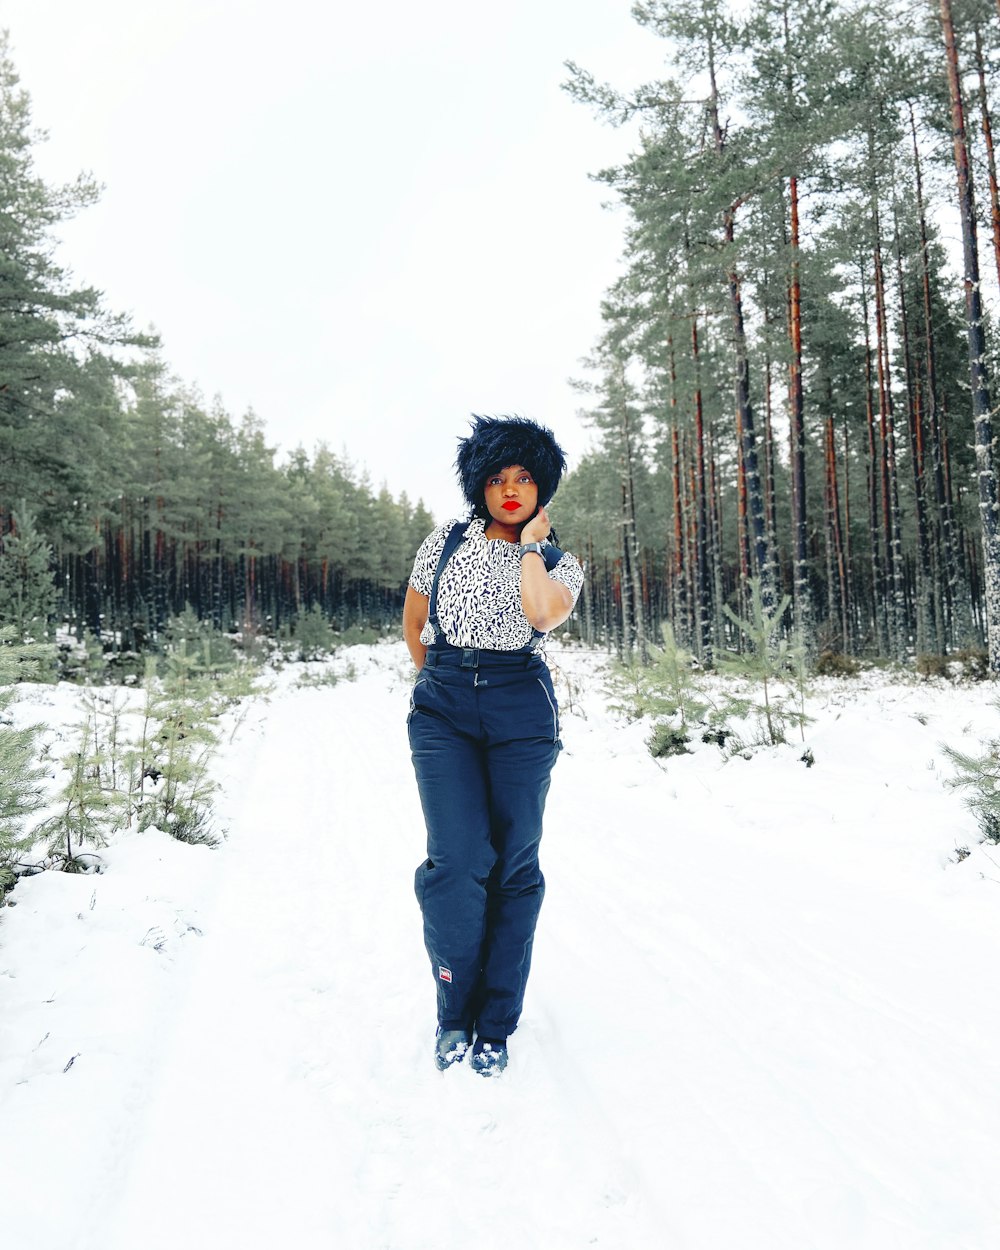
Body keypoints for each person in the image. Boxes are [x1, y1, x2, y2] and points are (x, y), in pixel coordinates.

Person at [403, 415, 584, 1076]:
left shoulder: (562, 565)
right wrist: (438, 681)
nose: (510, 490)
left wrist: (532, 548)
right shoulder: (444, 541)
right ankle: (454, 1010)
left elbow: (540, 614)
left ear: (543, 488)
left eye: (524, 477)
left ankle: (496, 1023)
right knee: (456, 859)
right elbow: (416, 621)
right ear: (478, 485)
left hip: (519, 706)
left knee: (513, 864)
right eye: (497, 478)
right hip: (444, 702)